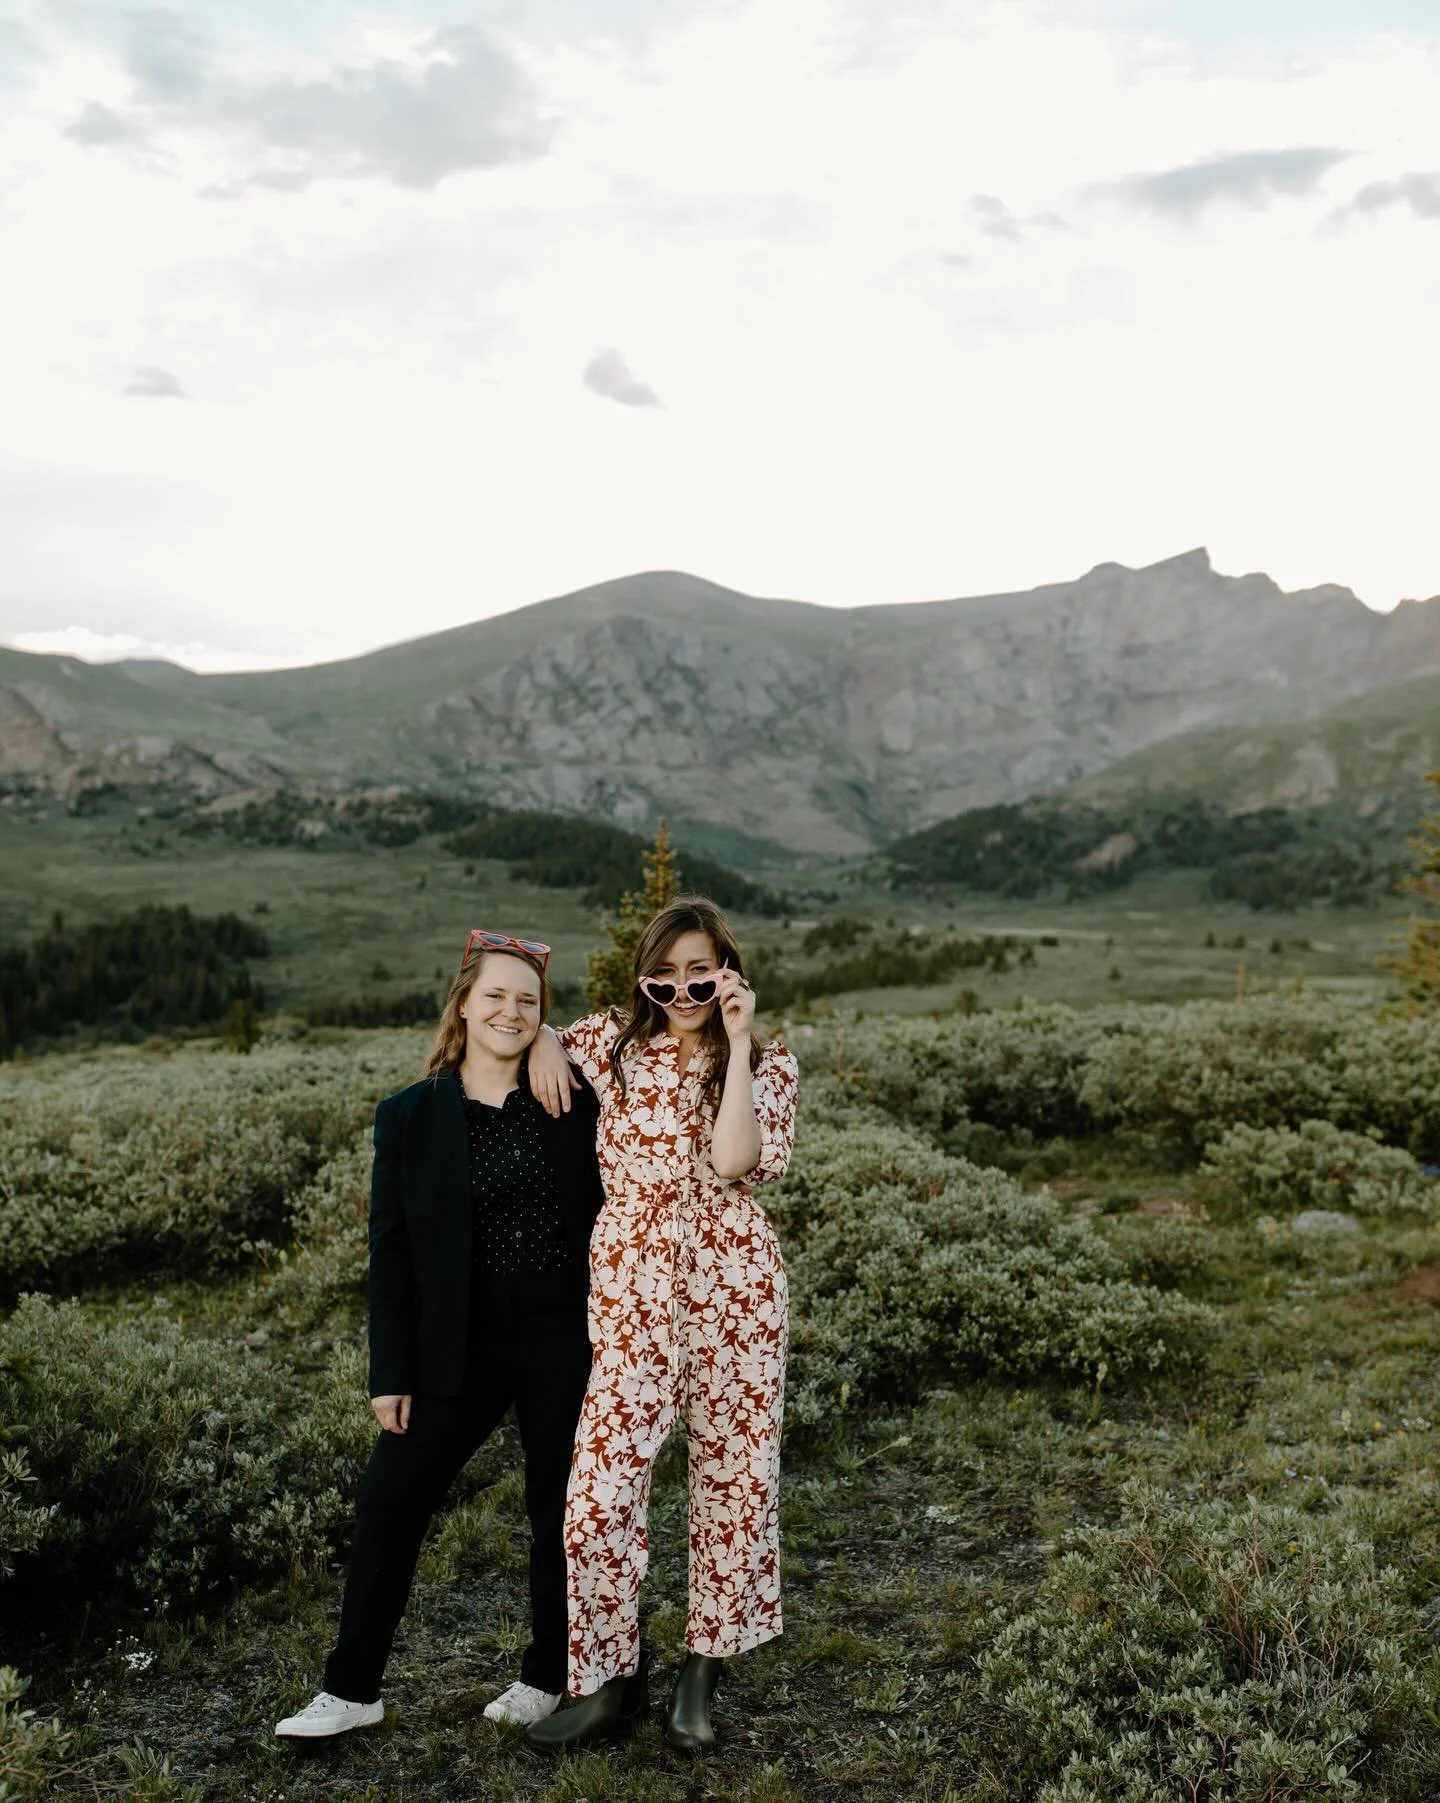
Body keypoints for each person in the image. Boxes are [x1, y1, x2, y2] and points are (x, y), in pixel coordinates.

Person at [275, 929, 604, 1740]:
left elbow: (647, 1029)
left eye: (528, 1001)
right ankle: (352, 1690)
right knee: (389, 1496)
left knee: (558, 1506)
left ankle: (549, 1673)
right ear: (462, 1003)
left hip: (566, 1334)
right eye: (495, 995)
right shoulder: (409, 1114)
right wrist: (390, 1370)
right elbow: (389, 1250)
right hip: (458, 1342)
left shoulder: (572, 1095)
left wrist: (556, 1041)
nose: (511, 1011)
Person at [523, 895, 799, 1754]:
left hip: (736, 1289)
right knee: (598, 1496)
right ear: (644, 978)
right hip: (633, 1292)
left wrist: (738, 1043)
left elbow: (735, 1159)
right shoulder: (611, 1044)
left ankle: (700, 1675)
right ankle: (612, 1680)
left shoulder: (771, 1065)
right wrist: (543, 1038)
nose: (683, 990)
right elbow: (530, 1028)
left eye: (701, 973)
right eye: (666, 975)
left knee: (736, 1482)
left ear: (728, 973)